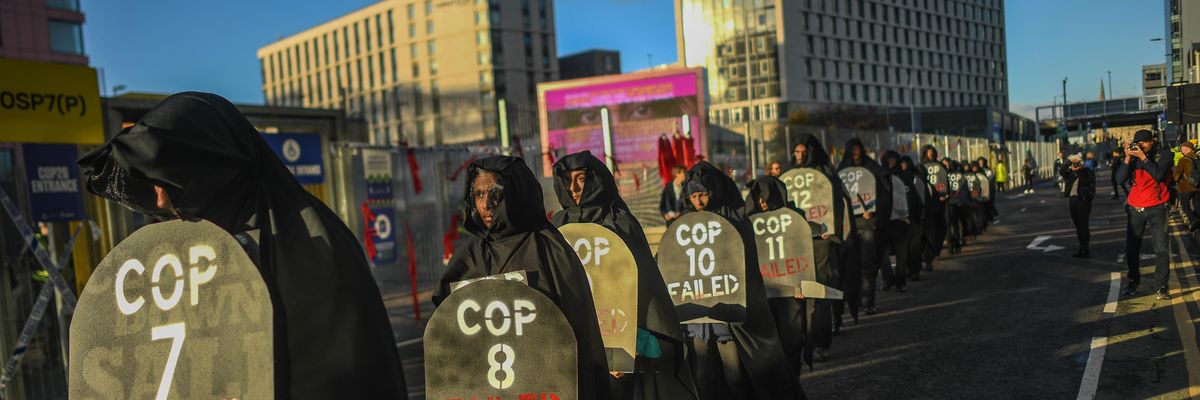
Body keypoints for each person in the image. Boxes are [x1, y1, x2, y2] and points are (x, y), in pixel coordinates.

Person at [76, 92, 408, 399]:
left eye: (169, 178)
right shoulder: (183, 249)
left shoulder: (314, 249)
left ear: (214, 166)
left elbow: (342, 375)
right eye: (150, 184)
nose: (160, 198)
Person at [437, 155, 613, 400]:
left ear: (517, 193)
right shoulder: (467, 257)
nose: (486, 204)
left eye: (495, 193)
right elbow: (446, 336)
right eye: (478, 194)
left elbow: (576, 337)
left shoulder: (550, 251)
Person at [550, 151, 698, 399]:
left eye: (580, 178)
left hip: (617, 343)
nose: (573, 187)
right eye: (566, 179)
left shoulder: (619, 222)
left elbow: (643, 290)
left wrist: (624, 349)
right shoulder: (557, 226)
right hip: (573, 344)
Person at [679, 162, 805, 400]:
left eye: (703, 194)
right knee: (703, 376)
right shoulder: (683, 226)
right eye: (693, 196)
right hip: (697, 317)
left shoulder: (734, 219)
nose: (699, 201)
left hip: (729, 317)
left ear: (712, 192)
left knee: (735, 374)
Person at [743, 175, 820, 374]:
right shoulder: (746, 223)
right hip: (763, 294)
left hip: (791, 292)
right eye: (758, 198)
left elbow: (805, 254)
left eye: (765, 197)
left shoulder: (795, 217)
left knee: (792, 341)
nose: (762, 202)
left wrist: (804, 283)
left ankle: (793, 377)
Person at [793, 134, 859, 343]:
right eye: (796, 152)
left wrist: (836, 231)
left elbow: (841, 205)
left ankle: (834, 318)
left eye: (804, 152)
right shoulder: (789, 176)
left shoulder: (827, 175)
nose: (800, 156)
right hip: (799, 240)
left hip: (825, 240)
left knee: (829, 281)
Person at [1115, 129, 1175, 300]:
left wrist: (1142, 157)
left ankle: (1161, 287)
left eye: (1144, 143)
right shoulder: (1132, 158)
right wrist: (1127, 158)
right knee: (1132, 249)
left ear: (1152, 141)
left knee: (1161, 249)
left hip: (1158, 208)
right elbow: (1119, 180)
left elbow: (1158, 175)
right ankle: (1133, 281)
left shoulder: (1164, 155)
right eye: (1138, 143)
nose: (1140, 146)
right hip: (1135, 209)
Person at [838, 138, 891, 315]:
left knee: (867, 264)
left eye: (857, 149)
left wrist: (874, 210)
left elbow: (884, 192)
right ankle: (857, 301)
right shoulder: (841, 170)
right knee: (851, 266)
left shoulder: (873, 168)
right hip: (848, 225)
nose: (855, 152)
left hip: (867, 222)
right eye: (851, 149)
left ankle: (868, 302)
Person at [879, 151, 918, 293]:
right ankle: (888, 279)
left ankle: (900, 280)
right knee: (883, 254)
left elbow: (912, 197)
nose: (891, 163)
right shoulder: (880, 176)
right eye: (888, 160)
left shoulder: (903, 177)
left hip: (900, 219)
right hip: (884, 220)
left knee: (902, 254)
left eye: (894, 160)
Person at [898, 155, 929, 283]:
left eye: (906, 163)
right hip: (901, 218)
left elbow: (922, 198)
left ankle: (914, 271)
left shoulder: (916, 180)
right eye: (902, 164)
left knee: (914, 246)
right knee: (904, 248)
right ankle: (906, 270)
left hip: (915, 217)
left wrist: (921, 214)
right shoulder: (898, 179)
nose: (903, 166)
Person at [917, 146, 947, 273]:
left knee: (935, 232)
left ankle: (929, 257)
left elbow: (945, 182)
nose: (930, 154)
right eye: (928, 153)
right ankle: (922, 260)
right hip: (920, 210)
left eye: (932, 152)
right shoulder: (919, 167)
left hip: (936, 205)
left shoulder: (940, 166)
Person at [1061, 154, 1095, 258]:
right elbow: (1062, 172)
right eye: (1074, 162)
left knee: (1083, 225)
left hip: (1083, 200)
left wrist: (1080, 169)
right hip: (1073, 200)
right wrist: (1068, 162)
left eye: (1078, 161)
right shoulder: (1070, 173)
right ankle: (1081, 247)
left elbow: (1089, 182)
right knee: (1077, 226)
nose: (1076, 164)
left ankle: (1086, 249)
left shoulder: (1087, 171)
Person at [1173, 141, 1199, 231]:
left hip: (1185, 187)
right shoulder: (1197, 158)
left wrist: (1175, 172)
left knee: (1185, 205)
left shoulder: (1183, 160)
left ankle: (1194, 221)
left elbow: (1176, 177)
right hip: (1197, 186)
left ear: (1188, 149)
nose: (1181, 149)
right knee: (1197, 206)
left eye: (1182, 148)